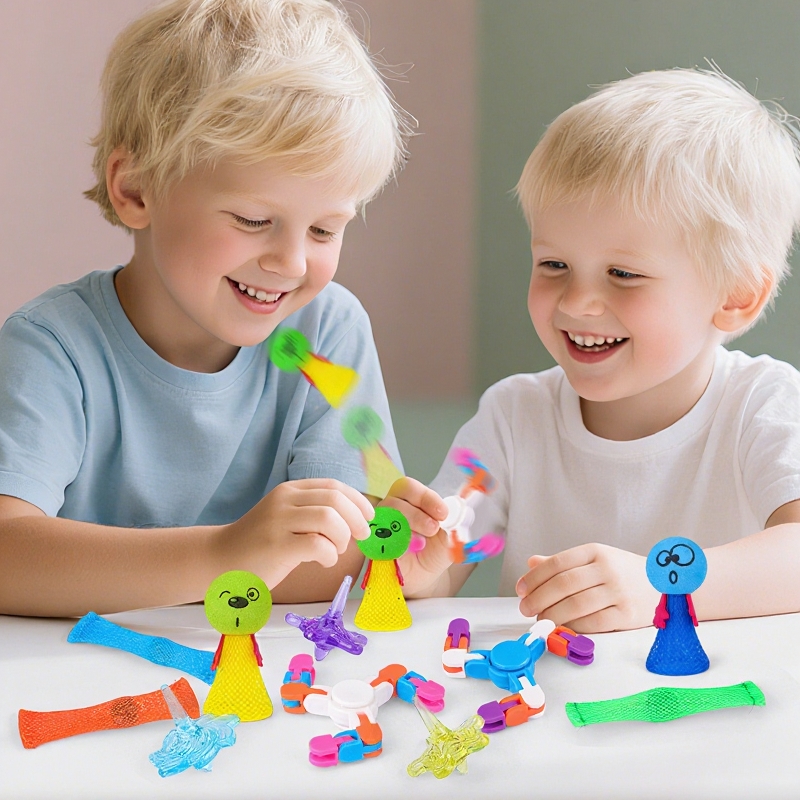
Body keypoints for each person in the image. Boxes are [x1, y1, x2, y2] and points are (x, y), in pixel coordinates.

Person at [0, 0, 446, 617]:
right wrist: (226, 555)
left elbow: (342, 556)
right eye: (254, 219)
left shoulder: (328, 331)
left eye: (324, 230)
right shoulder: (51, 348)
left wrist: (395, 562)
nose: (291, 262)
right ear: (134, 189)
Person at [400, 68, 800, 632]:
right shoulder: (513, 417)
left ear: (735, 296)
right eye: (554, 264)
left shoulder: (764, 404)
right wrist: (417, 566)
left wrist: (663, 588)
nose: (578, 302)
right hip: (543, 686)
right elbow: (446, 564)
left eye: (623, 273)